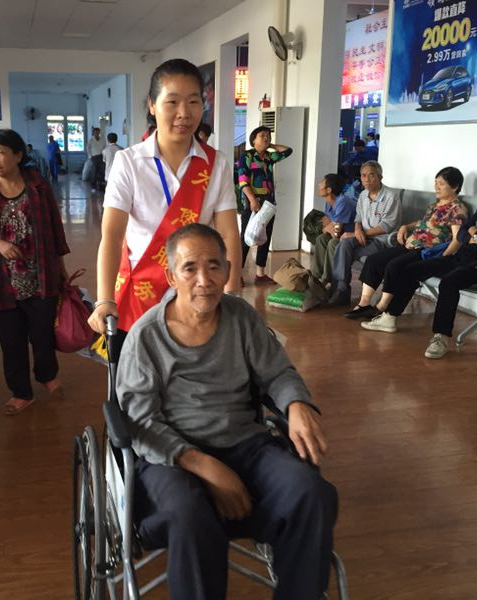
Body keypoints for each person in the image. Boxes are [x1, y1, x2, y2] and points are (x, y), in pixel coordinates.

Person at [117, 224, 337, 600]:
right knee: (189, 514)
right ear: (171, 276)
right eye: (189, 268)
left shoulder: (242, 318)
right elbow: (140, 423)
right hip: (171, 458)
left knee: (312, 494)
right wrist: (207, 466)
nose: (204, 280)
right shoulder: (146, 337)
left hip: (245, 444)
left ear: (228, 269)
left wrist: (296, 404)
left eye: (214, 266)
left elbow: (277, 372)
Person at [87, 58, 242, 337]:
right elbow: (112, 235)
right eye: (172, 102)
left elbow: (229, 233)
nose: (184, 113)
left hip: (197, 292)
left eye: (193, 102)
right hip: (140, 294)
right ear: (152, 105)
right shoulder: (128, 162)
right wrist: (105, 300)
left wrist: (232, 294)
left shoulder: (216, 163)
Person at [362, 166, 477, 359]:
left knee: (449, 282)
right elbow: (462, 234)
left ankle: (440, 337)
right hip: (462, 257)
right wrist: (476, 235)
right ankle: (390, 317)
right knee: (410, 270)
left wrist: (475, 234)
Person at [0, 129, 70, 415]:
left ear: (18, 155)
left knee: (43, 335)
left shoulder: (39, 189)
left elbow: (55, 229)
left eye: (1, 153)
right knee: (11, 342)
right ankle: (21, 392)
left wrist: (61, 269)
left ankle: (46, 374)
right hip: (3, 284)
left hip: (41, 278)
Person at [344, 166, 468, 320]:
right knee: (374, 260)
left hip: (427, 251)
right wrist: (405, 227)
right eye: (435, 183)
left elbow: (457, 238)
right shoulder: (435, 206)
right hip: (411, 245)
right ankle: (364, 304)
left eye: (441, 184)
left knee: (394, 266)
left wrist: (443, 257)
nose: (436, 187)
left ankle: (380, 308)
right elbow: (423, 223)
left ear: (455, 187)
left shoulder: (457, 209)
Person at [327, 160, 401, 305]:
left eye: (371, 175)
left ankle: (340, 290)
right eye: (363, 175)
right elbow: (359, 217)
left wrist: (360, 234)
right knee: (340, 245)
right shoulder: (363, 195)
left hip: (381, 241)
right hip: (363, 238)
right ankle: (338, 288)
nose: (366, 179)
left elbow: (387, 226)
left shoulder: (391, 197)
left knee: (343, 248)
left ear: (380, 177)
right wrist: (357, 229)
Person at [236, 125, 293, 285]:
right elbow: (242, 180)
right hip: (252, 202)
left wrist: (271, 145)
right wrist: (252, 200)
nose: (266, 138)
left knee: (265, 238)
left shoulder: (269, 157)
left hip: (268, 203)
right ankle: (237, 274)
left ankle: (260, 274)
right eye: (262, 136)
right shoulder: (247, 156)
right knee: (246, 238)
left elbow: (288, 151)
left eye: (268, 135)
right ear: (254, 140)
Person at [310, 173, 357, 286]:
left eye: (322, 183)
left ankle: (328, 280)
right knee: (321, 239)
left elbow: (335, 232)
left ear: (329, 190)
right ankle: (315, 277)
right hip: (342, 234)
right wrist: (329, 227)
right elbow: (327, 227)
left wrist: (330, 227)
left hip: (353, 236)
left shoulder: (343, 202)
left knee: (333, 242)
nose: (319, 185)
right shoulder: (329, 203)